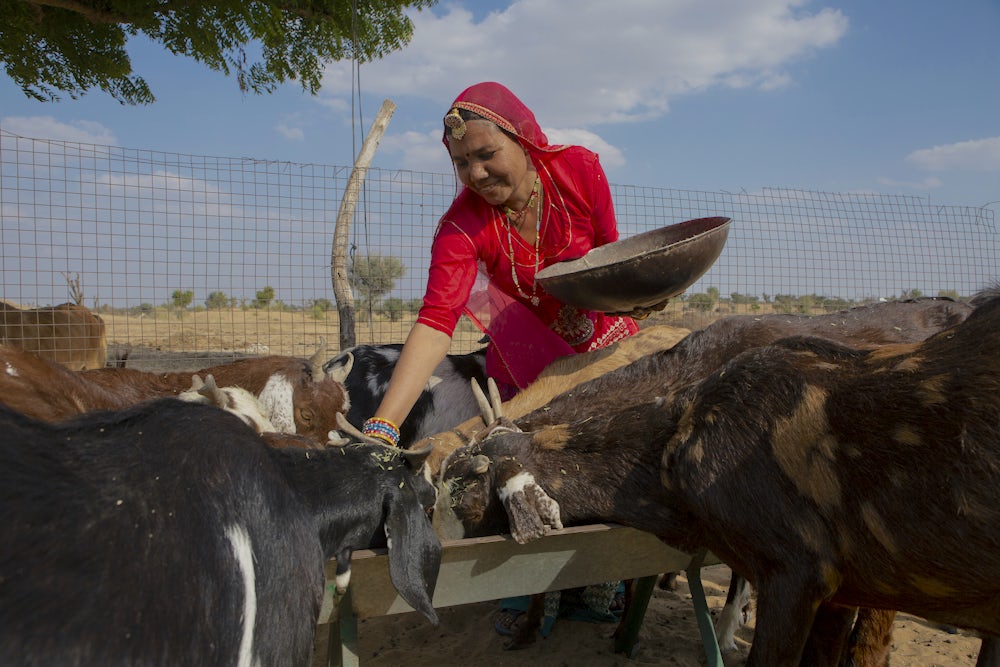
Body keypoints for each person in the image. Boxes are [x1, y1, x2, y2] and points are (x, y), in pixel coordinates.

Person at [362, 81, 641, 635]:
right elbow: (436, 322)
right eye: (463, 163)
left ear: (524, 139)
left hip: (600, 340)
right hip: (524, 352)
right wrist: (382, 427)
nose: (477, 174)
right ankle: (530, 586)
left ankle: (601, 581)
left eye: (487, 154)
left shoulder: (579, 172)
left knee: (611, 452)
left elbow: (613, 254)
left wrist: (637, 300)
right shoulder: (463, 226)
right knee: (521, 454)